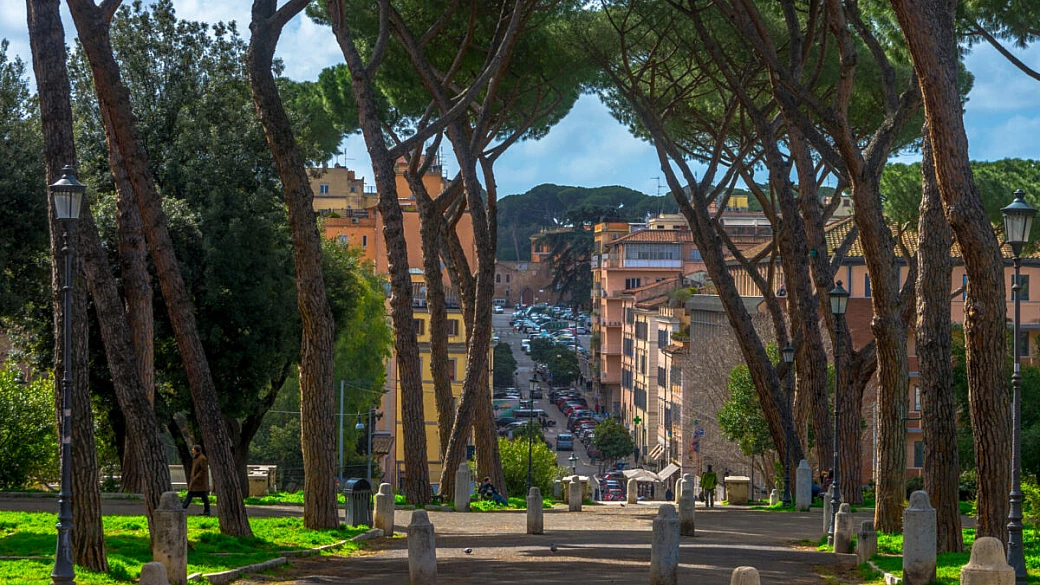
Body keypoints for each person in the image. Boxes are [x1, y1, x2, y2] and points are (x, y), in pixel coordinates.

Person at [182, 445, 211, 516]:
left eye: (193, 449)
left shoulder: (202, 458)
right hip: (196, 482)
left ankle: (183, 508)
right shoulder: (196, 458)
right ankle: (183, 508)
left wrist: (196, 478)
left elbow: (203, 470)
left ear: (196, 450)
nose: (192, 451)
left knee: (201, 495)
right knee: (192, 494)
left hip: (199, 482)